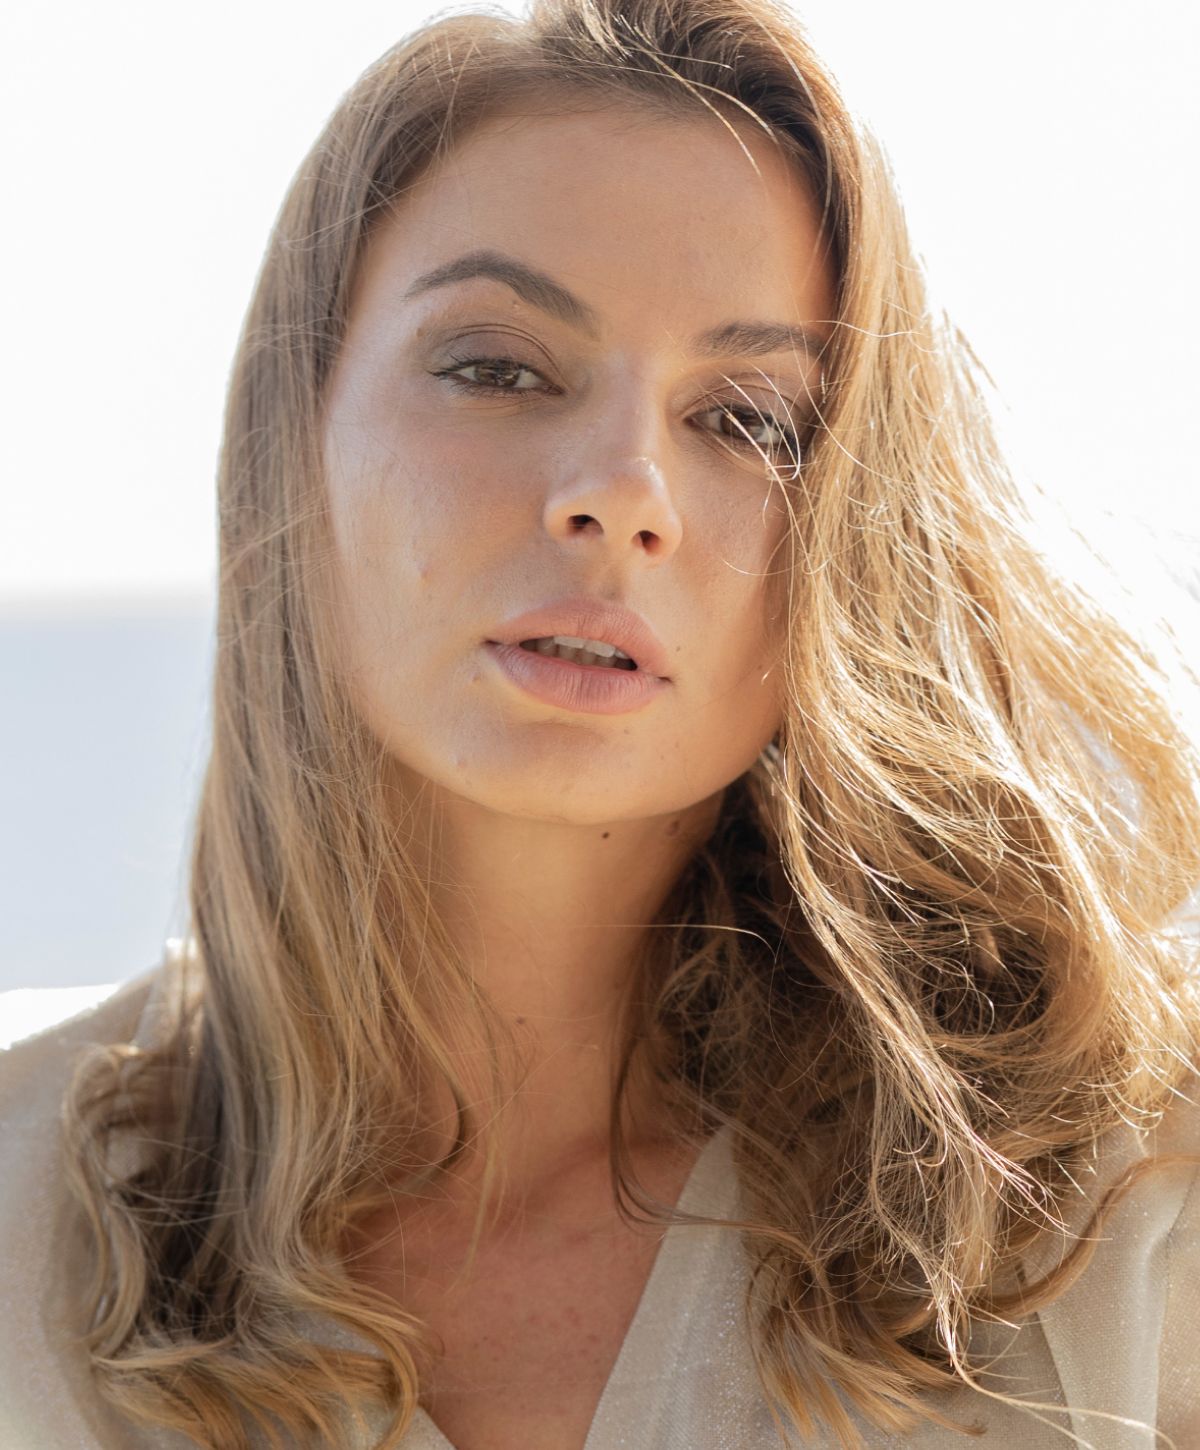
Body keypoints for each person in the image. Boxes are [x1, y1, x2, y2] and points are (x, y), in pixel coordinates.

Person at [2, 0, 1199, 1446]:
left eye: (748, 418)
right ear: (290, 441)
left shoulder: (1119, 1196)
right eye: (499, 366)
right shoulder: (21, 1228)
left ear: (851, 536)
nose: (622, 487)